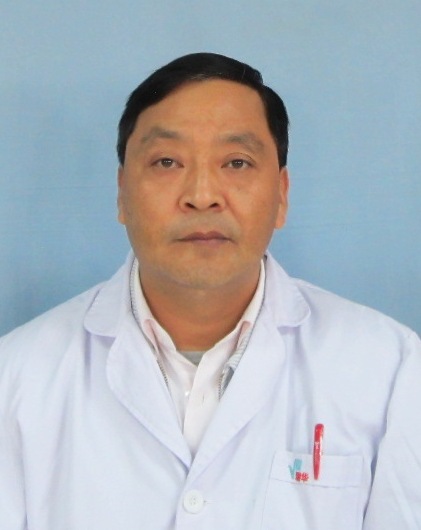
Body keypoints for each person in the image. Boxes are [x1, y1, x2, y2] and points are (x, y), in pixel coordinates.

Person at [0, 52, 420, 530]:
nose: (202, 195)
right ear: (121, 193)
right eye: (166, 161)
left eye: (237, 162)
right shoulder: (15, 378)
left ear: (282, 195)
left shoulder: (389, 369)